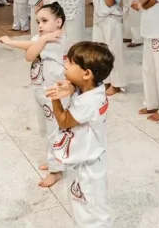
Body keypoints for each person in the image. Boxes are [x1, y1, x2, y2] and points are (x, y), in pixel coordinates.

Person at [45, 41, 113, 228]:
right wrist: (71, 87)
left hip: (89, 168)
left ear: (86, 73)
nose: (65, 64)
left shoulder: (89, 102)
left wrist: (55, 98)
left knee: (92, 213)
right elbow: (79, 87)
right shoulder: (94, 89)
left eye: (70, 63)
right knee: (81, 209)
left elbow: (64, 120)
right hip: (85, 160)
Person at [0, 3, 68, 187]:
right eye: (38, 21)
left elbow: (30, 54)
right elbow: (31, 44)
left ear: (58, 22)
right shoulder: (44, 38)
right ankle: (53, 160)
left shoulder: (57, 39)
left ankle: (56, 170)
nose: (40, 25)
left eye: (45, 21)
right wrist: (11, 42)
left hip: (52, 93)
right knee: (45, 128)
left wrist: (42, 41)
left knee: (54, 129)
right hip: (40, 90)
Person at [91, 0, 130, 96]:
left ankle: (117, 84)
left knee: (114, 52)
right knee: (100, 51)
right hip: (98, 18)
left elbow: (109, 2)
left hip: (111, 19)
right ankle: (105, 80)